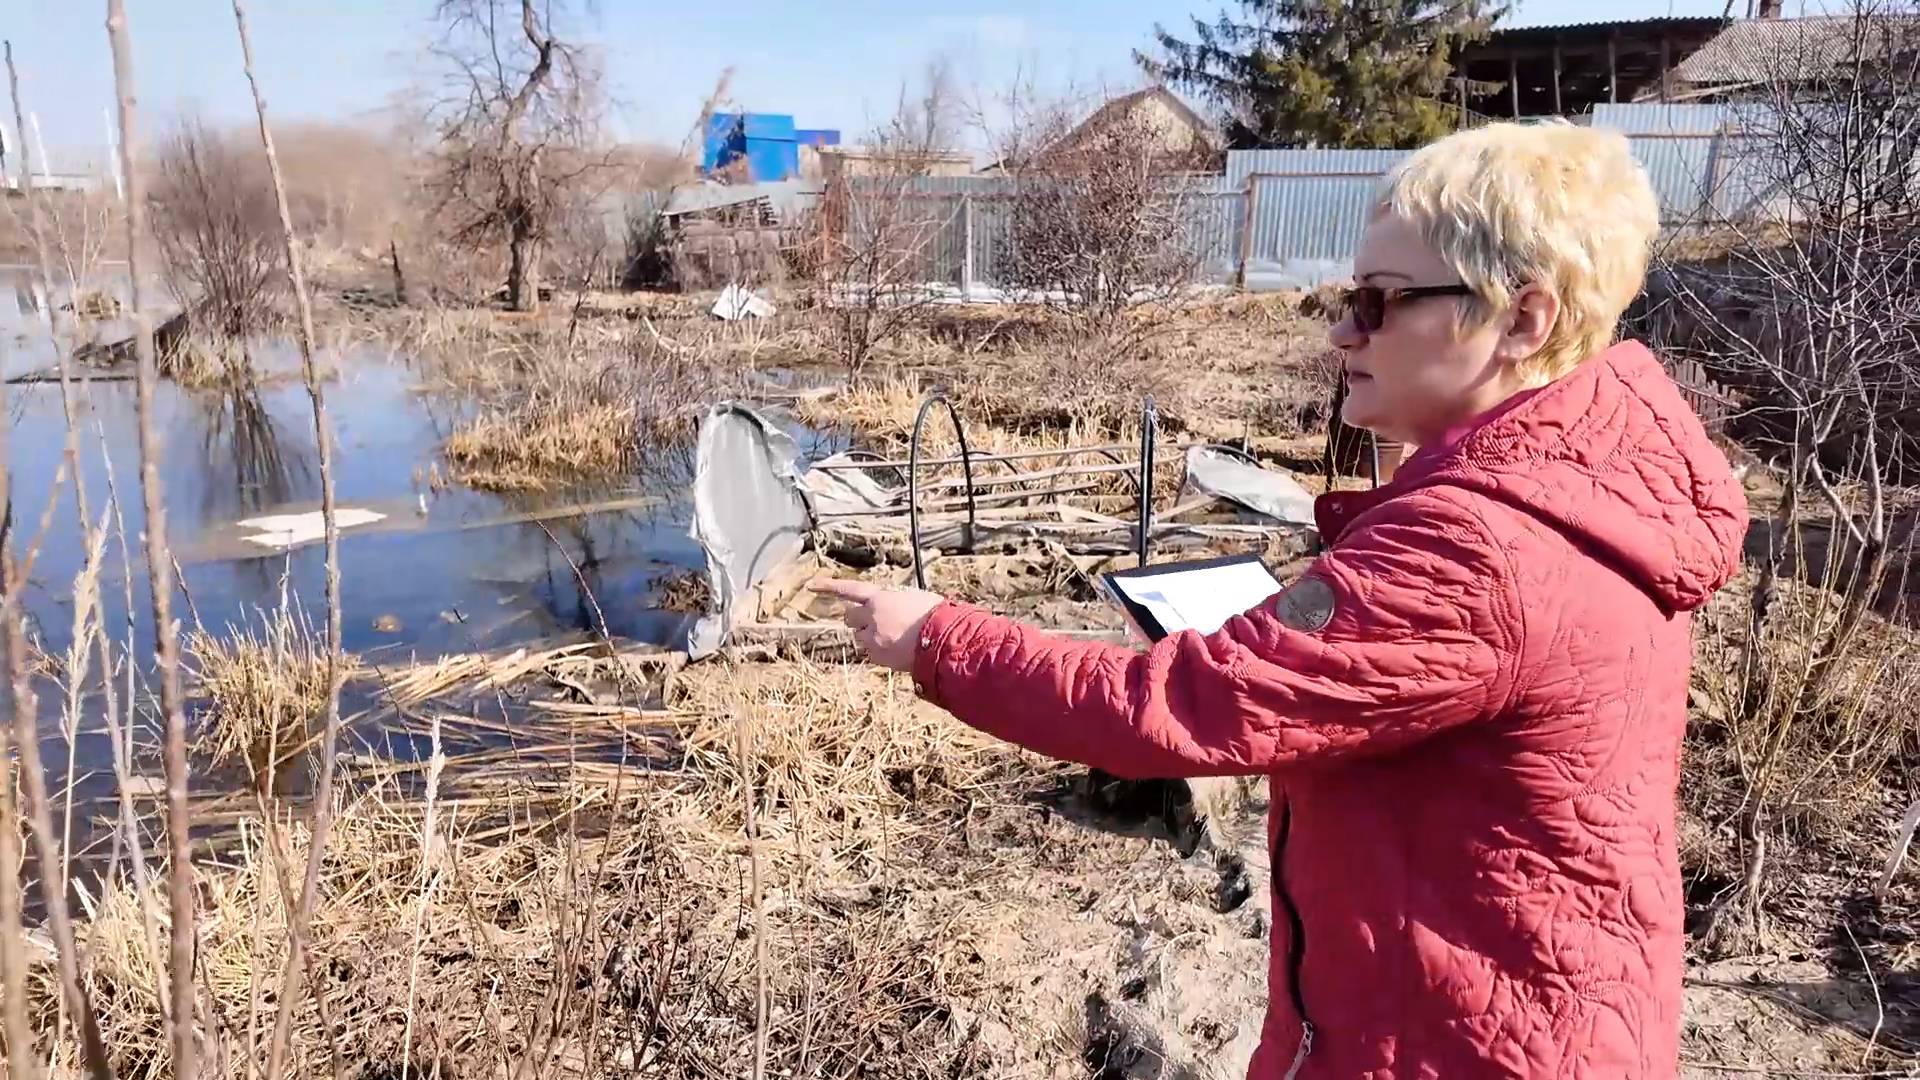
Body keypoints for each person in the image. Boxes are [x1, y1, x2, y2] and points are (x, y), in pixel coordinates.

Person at [811, 121, 1747, 1078]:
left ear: (1521, 321)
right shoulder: (1583, 488)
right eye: (1353, 297)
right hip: (1521, 1006)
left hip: (1456, 1041)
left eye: (1383, 302)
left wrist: (937, 638)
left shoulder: (1478, 548)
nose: (1344, 329)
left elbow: (1177, 707)